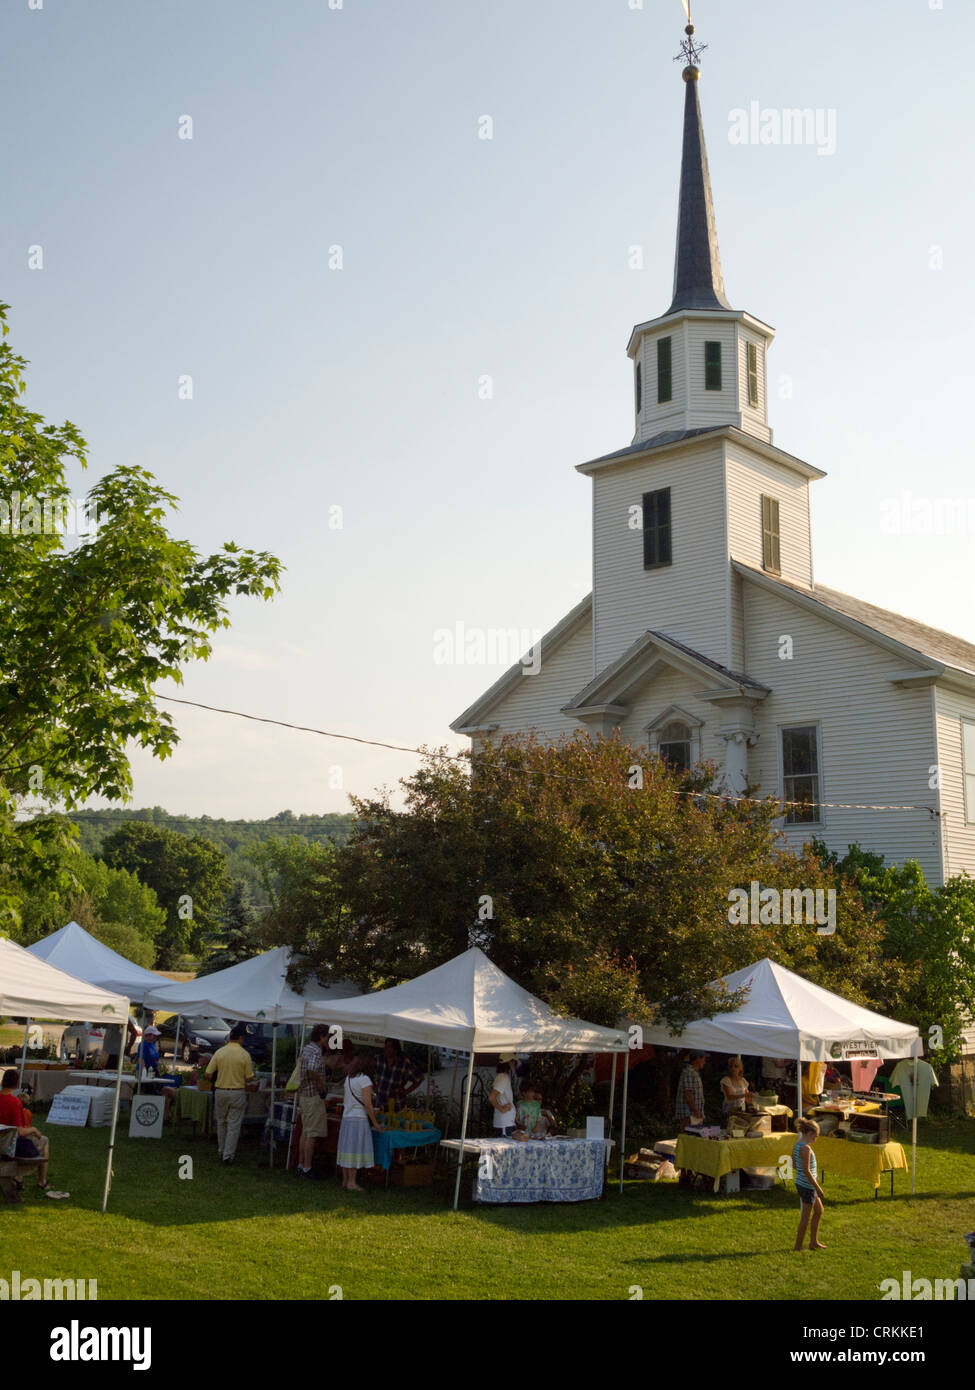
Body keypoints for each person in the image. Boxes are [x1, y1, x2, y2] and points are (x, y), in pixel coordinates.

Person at [0, 1069, 67, 1199]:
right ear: (16, 1084)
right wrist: (33, 1130)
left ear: (2, 1082)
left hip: (3, 1143)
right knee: (44, 1140)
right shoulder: (14, 1103)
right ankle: (42, 1181)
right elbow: (19, 1132)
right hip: (8, 1147)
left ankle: (18, 1179)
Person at [205, 1024, 257, 1164]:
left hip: (220, 1091)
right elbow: (249, 1078)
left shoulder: (220, 1052)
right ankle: (228, 1155)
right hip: (237, 1092)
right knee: (234, 1125)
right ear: (240, 1038)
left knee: (221, 1122)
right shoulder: (244, 1054)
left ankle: (221, 1150)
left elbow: (208, 1074)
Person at [336, 1061, 381, 1191]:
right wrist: (375, 1122)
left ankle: (345, 1180)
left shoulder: (349, 1078)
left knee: (346, 1149)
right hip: (359, 1118)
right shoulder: (365, 1079)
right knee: (355, 1150)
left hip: (347, 1117)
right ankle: (352, 1182)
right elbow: (368, 1103)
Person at [296, 1024, 332, 1178]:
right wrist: (321, 1087)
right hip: (313, 1095)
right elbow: (312, 1071)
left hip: (304, 1094)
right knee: (311, 1133)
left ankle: (301, 1164)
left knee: (305, 1131)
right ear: (322, 1036)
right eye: (328, 1037)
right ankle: (307, 1167)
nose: (329, 1040)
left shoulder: (306, 1048)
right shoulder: (317, 1051)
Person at [793, 1119, 827, 1252]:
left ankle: (813, 1242)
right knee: (805, 1218)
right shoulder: (805, 1148)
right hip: (807, 1186)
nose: (816, 1139)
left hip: (804, 1183)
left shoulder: (797, 1144)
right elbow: (807, 1171)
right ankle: (797, 1247)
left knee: (819, 1211)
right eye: (816, 1136)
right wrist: (818, 1188)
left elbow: (794, 1163)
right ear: (810, 1133)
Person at [372, 1038, 425, 1111]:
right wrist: (373, 1085)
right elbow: (367, 1070)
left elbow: (420, 1078)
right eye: (385, 1046)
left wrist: (406, 1091)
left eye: (389, 1046)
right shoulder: (378, 1059)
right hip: (380, 1104)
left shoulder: (404, 1063)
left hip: (397, 1105)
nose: (386, 1049)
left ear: (396, 1050)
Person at [675, 1053, 707, 1127]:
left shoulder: (694, 1072)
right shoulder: (689, 1072)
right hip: (689, 1114)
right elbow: (687, 1094)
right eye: (703, 1059)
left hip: (693, 1114)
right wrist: (696, 1111)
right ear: (698, 1059)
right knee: (687, 1136)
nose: (704, 1062)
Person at [489, 1059, 517, 1137]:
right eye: (512, 1061)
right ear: (507, 1062)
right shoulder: (503, 1077)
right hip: (505, 1123)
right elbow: (491, 1097)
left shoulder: (502, 1076)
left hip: (505, 1122)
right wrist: (501, 1108)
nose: (514, 1063)